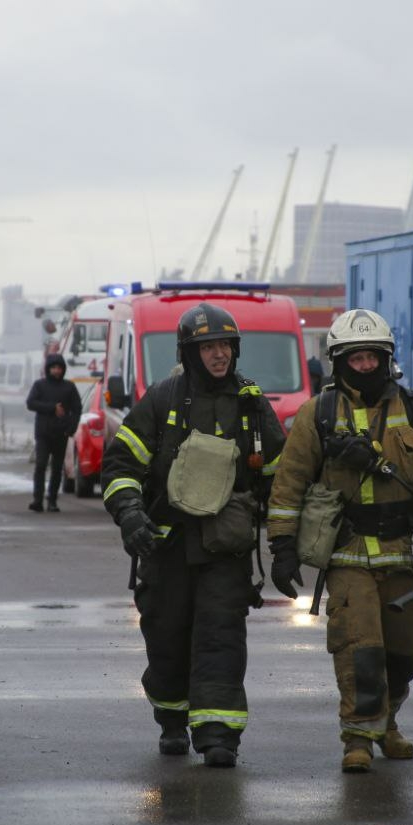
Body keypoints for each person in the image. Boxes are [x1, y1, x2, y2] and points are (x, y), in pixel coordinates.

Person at [265, 309, 413, 773]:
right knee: (359, 648)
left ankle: (388, 722)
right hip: (348, 555)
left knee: (404, 652)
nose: (364, 365)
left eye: (372, 356)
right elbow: (288, 484)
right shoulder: (316, 415)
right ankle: (358, 737)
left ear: (388, 358)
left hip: (406, 557)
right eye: (355, 358)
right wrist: (281, 548)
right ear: (338, 362)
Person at [100, 303, 285, 768]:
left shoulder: (251, 404)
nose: (219, 355)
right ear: (190, 352)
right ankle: (171, 720)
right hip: (166, 547)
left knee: (221, 638)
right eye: (209, 347)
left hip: (225, 549)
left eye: (225, 345)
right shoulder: (162, 400)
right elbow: (120, 464)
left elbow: (283, 476)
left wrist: (287, 541)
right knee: (167, 637)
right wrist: (130, 516)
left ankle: (219, 734)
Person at [25, 353, 81, 512]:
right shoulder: (39, 385)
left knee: (57, 469)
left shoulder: (69, 387)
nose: (56, 371)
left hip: (61, 434)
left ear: (63, 369)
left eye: (59, 368)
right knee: (41, 466)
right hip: (43, 433)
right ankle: (37, 500)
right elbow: (30, 403)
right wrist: (52, 408)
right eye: (53, 368)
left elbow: (77, 409)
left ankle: (52, 500)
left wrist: (71, 428)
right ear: (48, 369)